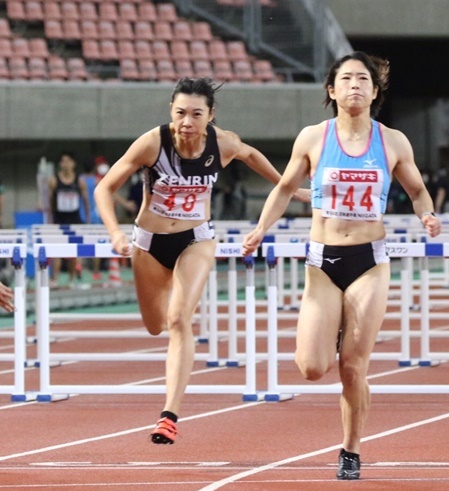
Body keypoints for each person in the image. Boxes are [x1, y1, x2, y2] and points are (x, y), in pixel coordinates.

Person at [241, 51, 441, 480]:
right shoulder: (313, 138)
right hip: (322, 260)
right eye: (346, 79)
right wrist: (261, 229)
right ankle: (331, 326)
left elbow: (418, 189)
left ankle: (351, 449)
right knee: (312, 367)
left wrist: (426, 214)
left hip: (369, 261)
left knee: (354, 365)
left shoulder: (393, 142)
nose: (354, 85)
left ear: (374, 91)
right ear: (331, 90)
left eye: (362, 79)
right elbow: (284, 188)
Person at [94, 77, 308, 445]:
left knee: (179, 319)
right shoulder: (152, 143)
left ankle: (169, 416)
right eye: (180, 113)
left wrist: (288, 187)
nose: (187, 122)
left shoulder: (222, 142)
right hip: (147, 242)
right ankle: (168, 394)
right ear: (170, 112)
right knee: (155, 325)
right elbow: (104, 188)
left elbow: (251, 154)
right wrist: (115, 232)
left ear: (211, 116)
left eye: (196, 114)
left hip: (196, 238)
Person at [48, 151, 90, 288]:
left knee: (74, 252)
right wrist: (50, 219)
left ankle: (71, 280)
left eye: (68, 161)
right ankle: (54, 279)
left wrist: (88, 218)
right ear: (60, 164)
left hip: (75, 219)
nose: (65, 164)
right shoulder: (54, 180)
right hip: (59, 219)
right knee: (57, 251)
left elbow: (85, 200)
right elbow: (49, 201)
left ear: (73, 164)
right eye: (63, 161)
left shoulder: (80, 181)